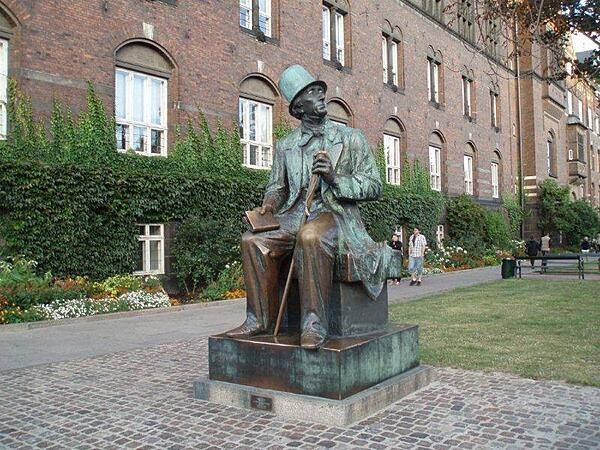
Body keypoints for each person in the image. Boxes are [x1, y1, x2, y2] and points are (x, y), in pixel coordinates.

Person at [226, 65, 400, 349]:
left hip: (334, 215)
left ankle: (314, 323)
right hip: (294, 215)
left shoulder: (350, 138)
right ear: (298, 106)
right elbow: (277, 187)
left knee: (311, 236)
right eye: (312, 92)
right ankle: (259, 321)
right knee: (252, 240)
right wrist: (268, 206)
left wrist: (334, 178)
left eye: (321, 90)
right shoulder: (286, 146)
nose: (321, 96)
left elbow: (373, 185)